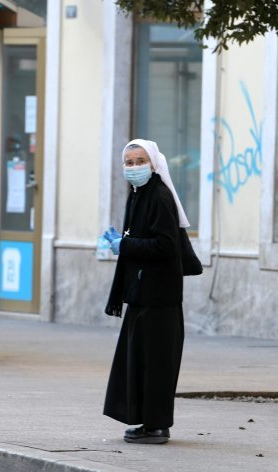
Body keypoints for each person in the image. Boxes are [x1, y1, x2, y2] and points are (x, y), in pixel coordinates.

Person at [101, 139, 190, 445]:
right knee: (140, 361)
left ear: (154, 164)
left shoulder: (159, 195)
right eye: (129, 162)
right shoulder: (139, 194)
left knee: (156, 364)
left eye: (140, 161)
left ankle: (157, 426)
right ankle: (147, 422)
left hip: (159, 297)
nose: (134, 167)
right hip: (143, 294)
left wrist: (124, 245)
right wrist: (123, 241)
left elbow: (166, 245)